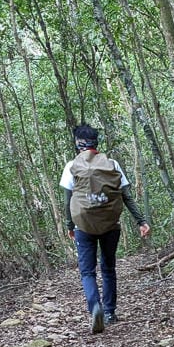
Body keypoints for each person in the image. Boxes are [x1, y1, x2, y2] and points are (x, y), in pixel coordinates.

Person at [59, 124, 150, 332]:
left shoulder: (71, 166)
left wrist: (69, 225)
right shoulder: (112, 164)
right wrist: (141, 221)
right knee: (108, 268)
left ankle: (95, 308)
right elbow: (126, 196)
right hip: (110, 224)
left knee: (87, 271)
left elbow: (67, 201)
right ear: (96, 142)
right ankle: (109, 312)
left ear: (77, 143)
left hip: (84, 225)